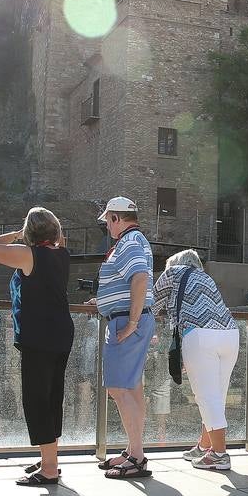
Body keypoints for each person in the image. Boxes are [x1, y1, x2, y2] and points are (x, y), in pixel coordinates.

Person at [0, 207, 74, 486]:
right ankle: (50, 459)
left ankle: (48, 469)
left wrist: (17, 235)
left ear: (30, 233)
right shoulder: (62, 254)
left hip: (40, 336)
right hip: (60, 333)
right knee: (52, 397)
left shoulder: (29, 254)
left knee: (37, 400)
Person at [154, 250, 238, 471]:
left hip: (200, 334)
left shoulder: (172, 272)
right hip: (230, 334)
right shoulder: (205, 277)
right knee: (216, 395)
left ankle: (220, 454)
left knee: (206, 397)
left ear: (173, 263)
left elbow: (150, 305)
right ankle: (205, 446)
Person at [93, 197, 156, 479]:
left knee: (118, 388)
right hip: (130, 317)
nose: (107, 226)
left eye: (108, 220)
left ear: (117, 219)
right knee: (131, 389)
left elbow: (140, 277)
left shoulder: (129, 241)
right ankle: (134, 451)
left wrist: (130, 322)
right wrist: (105, 299)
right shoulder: (135, 240)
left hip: (127, 321)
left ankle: (138, 457)